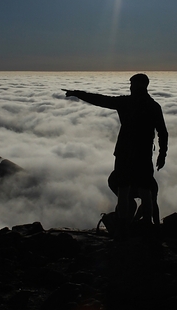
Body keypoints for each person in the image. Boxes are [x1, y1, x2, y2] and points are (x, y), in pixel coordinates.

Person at [65, 73, 168, 231]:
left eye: (132, 84)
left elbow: (100, 100)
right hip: (144, 153)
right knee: (146, 190)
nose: (130, 87)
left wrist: (77, 93)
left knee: (123, 189)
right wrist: (162, 154)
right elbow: (162, 132)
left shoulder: (126, 102)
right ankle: (147, 225)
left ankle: (123, 226)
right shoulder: (153, 106)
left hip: (124, 152)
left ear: (135, 85)